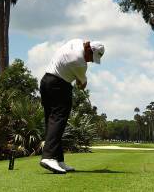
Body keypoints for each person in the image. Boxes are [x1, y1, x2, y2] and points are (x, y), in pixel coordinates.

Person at [39, 39, 105, 174]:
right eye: (92, 58)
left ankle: (58, 159)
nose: (91, 61)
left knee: (51, 121)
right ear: (89, 50)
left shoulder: (75, 41)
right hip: (59, 85)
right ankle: (49, 157)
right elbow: (82, 83)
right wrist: (82, 83)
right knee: (58, 120)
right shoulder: (80, 62)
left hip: (46, 81)